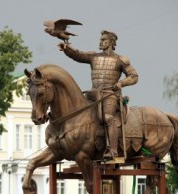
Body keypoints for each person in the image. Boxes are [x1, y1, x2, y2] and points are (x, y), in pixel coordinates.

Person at [58, 30, 138, 159]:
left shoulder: (120, 60)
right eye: (100, 40)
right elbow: (79, 55)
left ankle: (112, 150)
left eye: (104, 40)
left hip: (109, 94)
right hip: (93, 93)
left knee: (107, 117)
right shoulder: (94, 57)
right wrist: (67, 48)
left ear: (111, 42)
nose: (100, 42)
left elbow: (134, 76)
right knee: (76, 112)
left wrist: (121, 84)